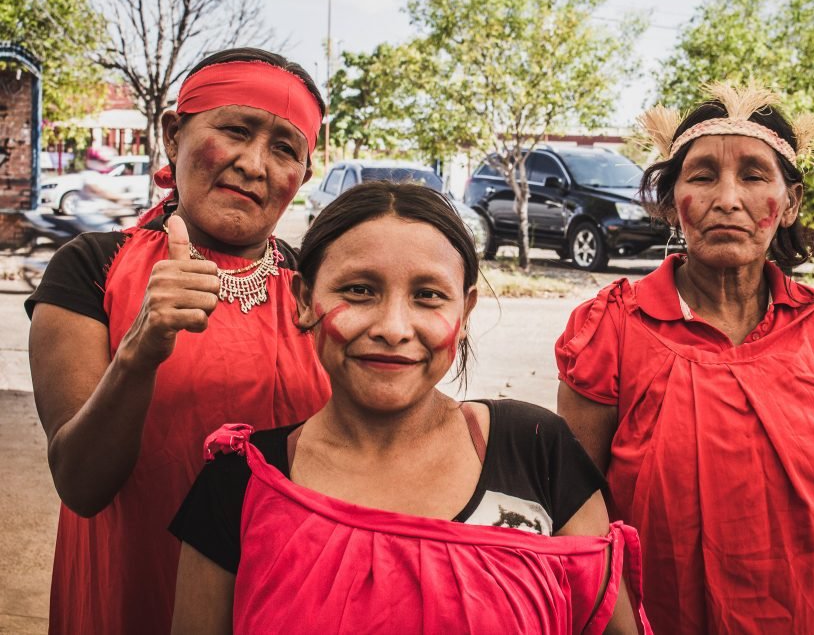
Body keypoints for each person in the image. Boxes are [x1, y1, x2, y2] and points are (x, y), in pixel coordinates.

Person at [168, 181, 651, 634]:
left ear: (465, 314)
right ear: (303, 300)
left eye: (428, 296)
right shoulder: (240, 485)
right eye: (358, 290)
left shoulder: (535, 451)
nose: (394, 328)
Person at [555, 82, 814, 634]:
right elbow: (574, 520)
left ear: (791, 202)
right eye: (702, 175)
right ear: (671, 201)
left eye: (754, 176)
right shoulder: (611, 330)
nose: (727, 198)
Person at [26, 48, 332, 634]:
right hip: (133, 596)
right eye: (236, 131)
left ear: (302, 177)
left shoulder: (312, 290)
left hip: (282, 602)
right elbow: (81, 484)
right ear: (174, 134)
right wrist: (138, 353)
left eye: (284, 149)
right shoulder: (92, 266)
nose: (254, 164)